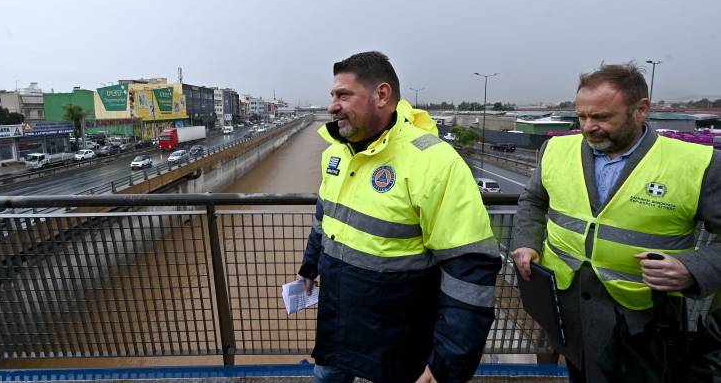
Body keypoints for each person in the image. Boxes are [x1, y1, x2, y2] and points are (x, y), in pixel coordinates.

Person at [298, 51, 501, 383]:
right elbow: (325, 218)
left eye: (344, 95)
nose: (333, 105)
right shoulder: (335, 152)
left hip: (397, 343)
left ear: (381, 95)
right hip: (337, 326)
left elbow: (469, 269)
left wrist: (445, 365)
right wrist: (310, 266)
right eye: (333, 95)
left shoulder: (433, 162)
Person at [511, 62, 721, 382]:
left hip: (644, 321)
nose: (587, 127)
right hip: (568, 310)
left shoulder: (697, 164)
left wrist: (693, 268)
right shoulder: (555, 149)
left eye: (602, 117)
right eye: (581, 116)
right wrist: (526, 241)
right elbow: (533, 201)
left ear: (641, 110)